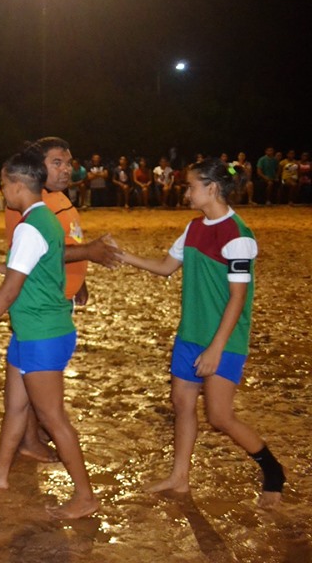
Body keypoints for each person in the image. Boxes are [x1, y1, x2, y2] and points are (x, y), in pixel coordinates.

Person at [115, 158, 285, 507]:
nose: (186, 191)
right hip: (190, 334)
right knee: (182, 404)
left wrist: (216, 349)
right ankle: (179, 478)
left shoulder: (238, 236)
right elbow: (165, 268)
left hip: (224, 340)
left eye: (191, 185)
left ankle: (272, 470)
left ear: (212, 187)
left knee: (220, 416)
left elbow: (238, 299)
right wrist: (123, 256)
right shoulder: (193, 228)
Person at [0, 147, 99, 520]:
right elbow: (30, 270)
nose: (3, 191)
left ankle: (85, 496)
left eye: (4, 184)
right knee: (17, 406)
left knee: (53, 418)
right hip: (31, 331)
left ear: (19, 185)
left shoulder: (30, 227)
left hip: (42, 334)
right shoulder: (44, 220)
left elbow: (10, 291)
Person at [1, 137, 118, 461]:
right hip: (39, 307)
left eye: (68, 163)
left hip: (55, 300)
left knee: (35, 379)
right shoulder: (29, 205)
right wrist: (89, 253)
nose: (66, 169)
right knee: (34, 379)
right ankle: (31, 438)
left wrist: (80, 278)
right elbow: (40, 252)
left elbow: (66, 244)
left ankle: (32, 435)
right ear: (38, 168)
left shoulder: (58, 200)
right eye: (57, 163)